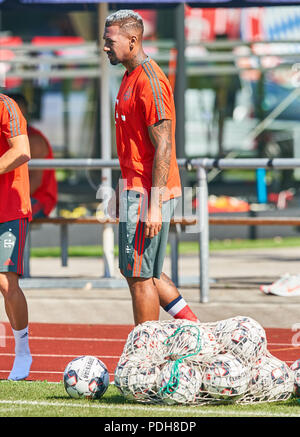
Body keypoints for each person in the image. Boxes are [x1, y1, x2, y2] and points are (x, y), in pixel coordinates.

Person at [103, 10, 199, 325]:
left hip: (147, 194)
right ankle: (195, 329)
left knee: (138, 275)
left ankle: (146, 353)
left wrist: (154, 204)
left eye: (110, 40)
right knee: (147, 272)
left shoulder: (151, 80)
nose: (105, 47)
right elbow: (133, 147)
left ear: (133, 40)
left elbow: (165, 145)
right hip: (135, 189)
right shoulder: (130, 77)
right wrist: (122, 189)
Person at [0, 93, 32, 380]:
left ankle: (22, 352)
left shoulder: (6, 106)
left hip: (9, 208)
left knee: (5, 281)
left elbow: (22, 150)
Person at [8, 94, 57, 219]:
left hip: (39, 199)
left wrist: (7, 199)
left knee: (9, 212)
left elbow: (35, 183)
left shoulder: (34, 140)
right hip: (17, 197)